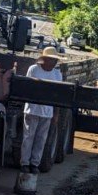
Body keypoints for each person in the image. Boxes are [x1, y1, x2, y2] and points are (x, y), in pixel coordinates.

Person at [19, 46, 63, 174]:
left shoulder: (57, 74)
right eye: (51, 59)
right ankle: (25, 163)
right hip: (32, 110)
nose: (53, 62)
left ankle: (34, 164)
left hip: (47, 112)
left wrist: (56, 113)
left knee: (41, 139)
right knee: (28, 138)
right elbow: (27, 89)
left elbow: (59, 95)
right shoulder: (34, 70)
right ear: (44, 59)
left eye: (55, 60)